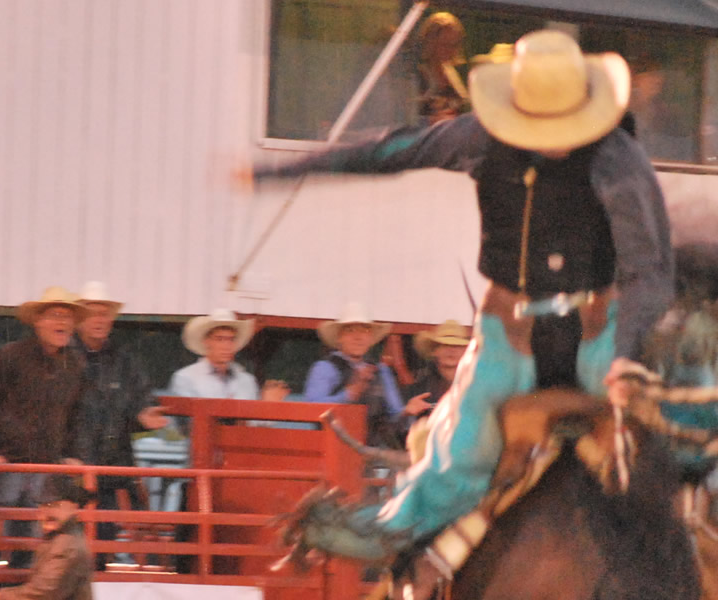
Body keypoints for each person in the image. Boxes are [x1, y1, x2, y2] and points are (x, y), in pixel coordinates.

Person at [249, 29, 674, 558]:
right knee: (463, 450)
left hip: (597, 327)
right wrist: (288, 168)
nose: (553, 139)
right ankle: (390, 533)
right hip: (510, 331)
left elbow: (648, 267)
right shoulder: (480, 139)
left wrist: (627, 354)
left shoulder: (617, 159)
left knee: (657, 436)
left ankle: (706, 511)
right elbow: (393, 151)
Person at [0, 286, 90, 574]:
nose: (61, 322)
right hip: (6, 464)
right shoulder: (8, 357)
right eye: (54, 315)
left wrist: (71, 454)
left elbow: (76, 414)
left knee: (34, 546)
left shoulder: (74, 365)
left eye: (67, 316)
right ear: (38, 321)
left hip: (45, 467)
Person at [65, 282, 170, 536]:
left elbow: (142, 400)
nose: (99, 320)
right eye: (92, 313)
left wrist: (144, 414)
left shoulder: (124, 361)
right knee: (71, 533)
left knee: (102, 535)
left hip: (111, 466)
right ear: (79, 319)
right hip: (70, 464)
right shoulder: (63, 357)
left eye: (104, 313)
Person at [302, 302, 409, 449]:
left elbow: (395, 413)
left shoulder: (382, 371)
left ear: (370, 338)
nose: (358, 337)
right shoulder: (325, 368)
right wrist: (349, 394)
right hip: (333, 451)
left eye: (364, 331)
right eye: (350, 330)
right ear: (339, 337)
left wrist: (408, 412)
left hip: (373, 454)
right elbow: (311, 409)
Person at [0, 476, 96, 600]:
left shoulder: (66, 546)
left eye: (55, 505)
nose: (47, 511)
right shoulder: (63, 538)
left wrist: (1, 596)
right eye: (43, 505)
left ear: (74, 508)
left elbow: (45, 592)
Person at [167, 308, 288, 401]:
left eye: (231, 339)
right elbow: (186, 427)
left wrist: (268, 405)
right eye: (220, 339)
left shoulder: (246, 380)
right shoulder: (186, 378)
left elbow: (254, 427)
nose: (226, 345)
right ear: (206, 341)